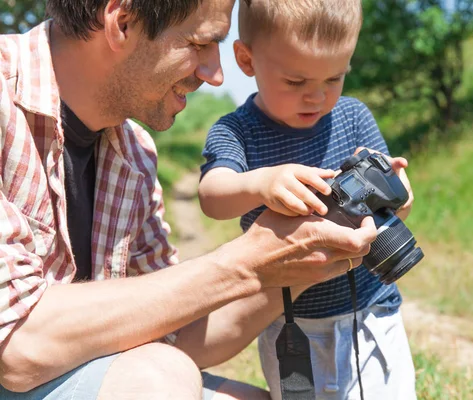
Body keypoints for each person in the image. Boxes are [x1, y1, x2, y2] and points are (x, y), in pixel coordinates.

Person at [0, 0, 380, 399]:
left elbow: (178, 332)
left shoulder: (134, 153)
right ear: (123, 22)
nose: (216, 76)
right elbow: (20, 346)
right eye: (201, 44)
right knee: (160, 380)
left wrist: (299, 260)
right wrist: (243, 263)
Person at [197, 0, 417, 398]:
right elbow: (212, 196)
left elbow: (387, 193)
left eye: (334, 79)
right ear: (247, 61)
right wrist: (262, 183)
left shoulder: (352, 117)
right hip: (291, 321)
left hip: (372, 310)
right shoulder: (237, 131)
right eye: (296, 83)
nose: (317, 97)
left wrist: (398, 194)